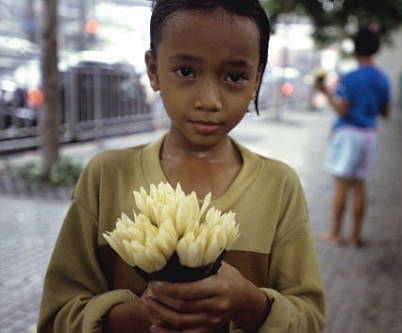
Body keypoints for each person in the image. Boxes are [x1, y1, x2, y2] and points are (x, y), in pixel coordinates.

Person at [37, 1, 326, 332]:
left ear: (256, 81)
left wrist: (250, 305)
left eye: (234, 76)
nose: (209, 100)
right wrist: (136, 317)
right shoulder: (106, 176)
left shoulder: (279, 187)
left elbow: (311, 320)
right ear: (153, 69)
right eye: (186, 71)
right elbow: (56, 315)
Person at [315, 24, 391, 248]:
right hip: (369, 135)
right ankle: (356, 237)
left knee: (340, 186)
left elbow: (342, 110)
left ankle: (336, 234)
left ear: (356, 50)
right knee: (360, 186)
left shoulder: (349, 78)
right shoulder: (382, 79)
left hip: (347, 134)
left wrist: (326, 92)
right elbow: (386, 112)